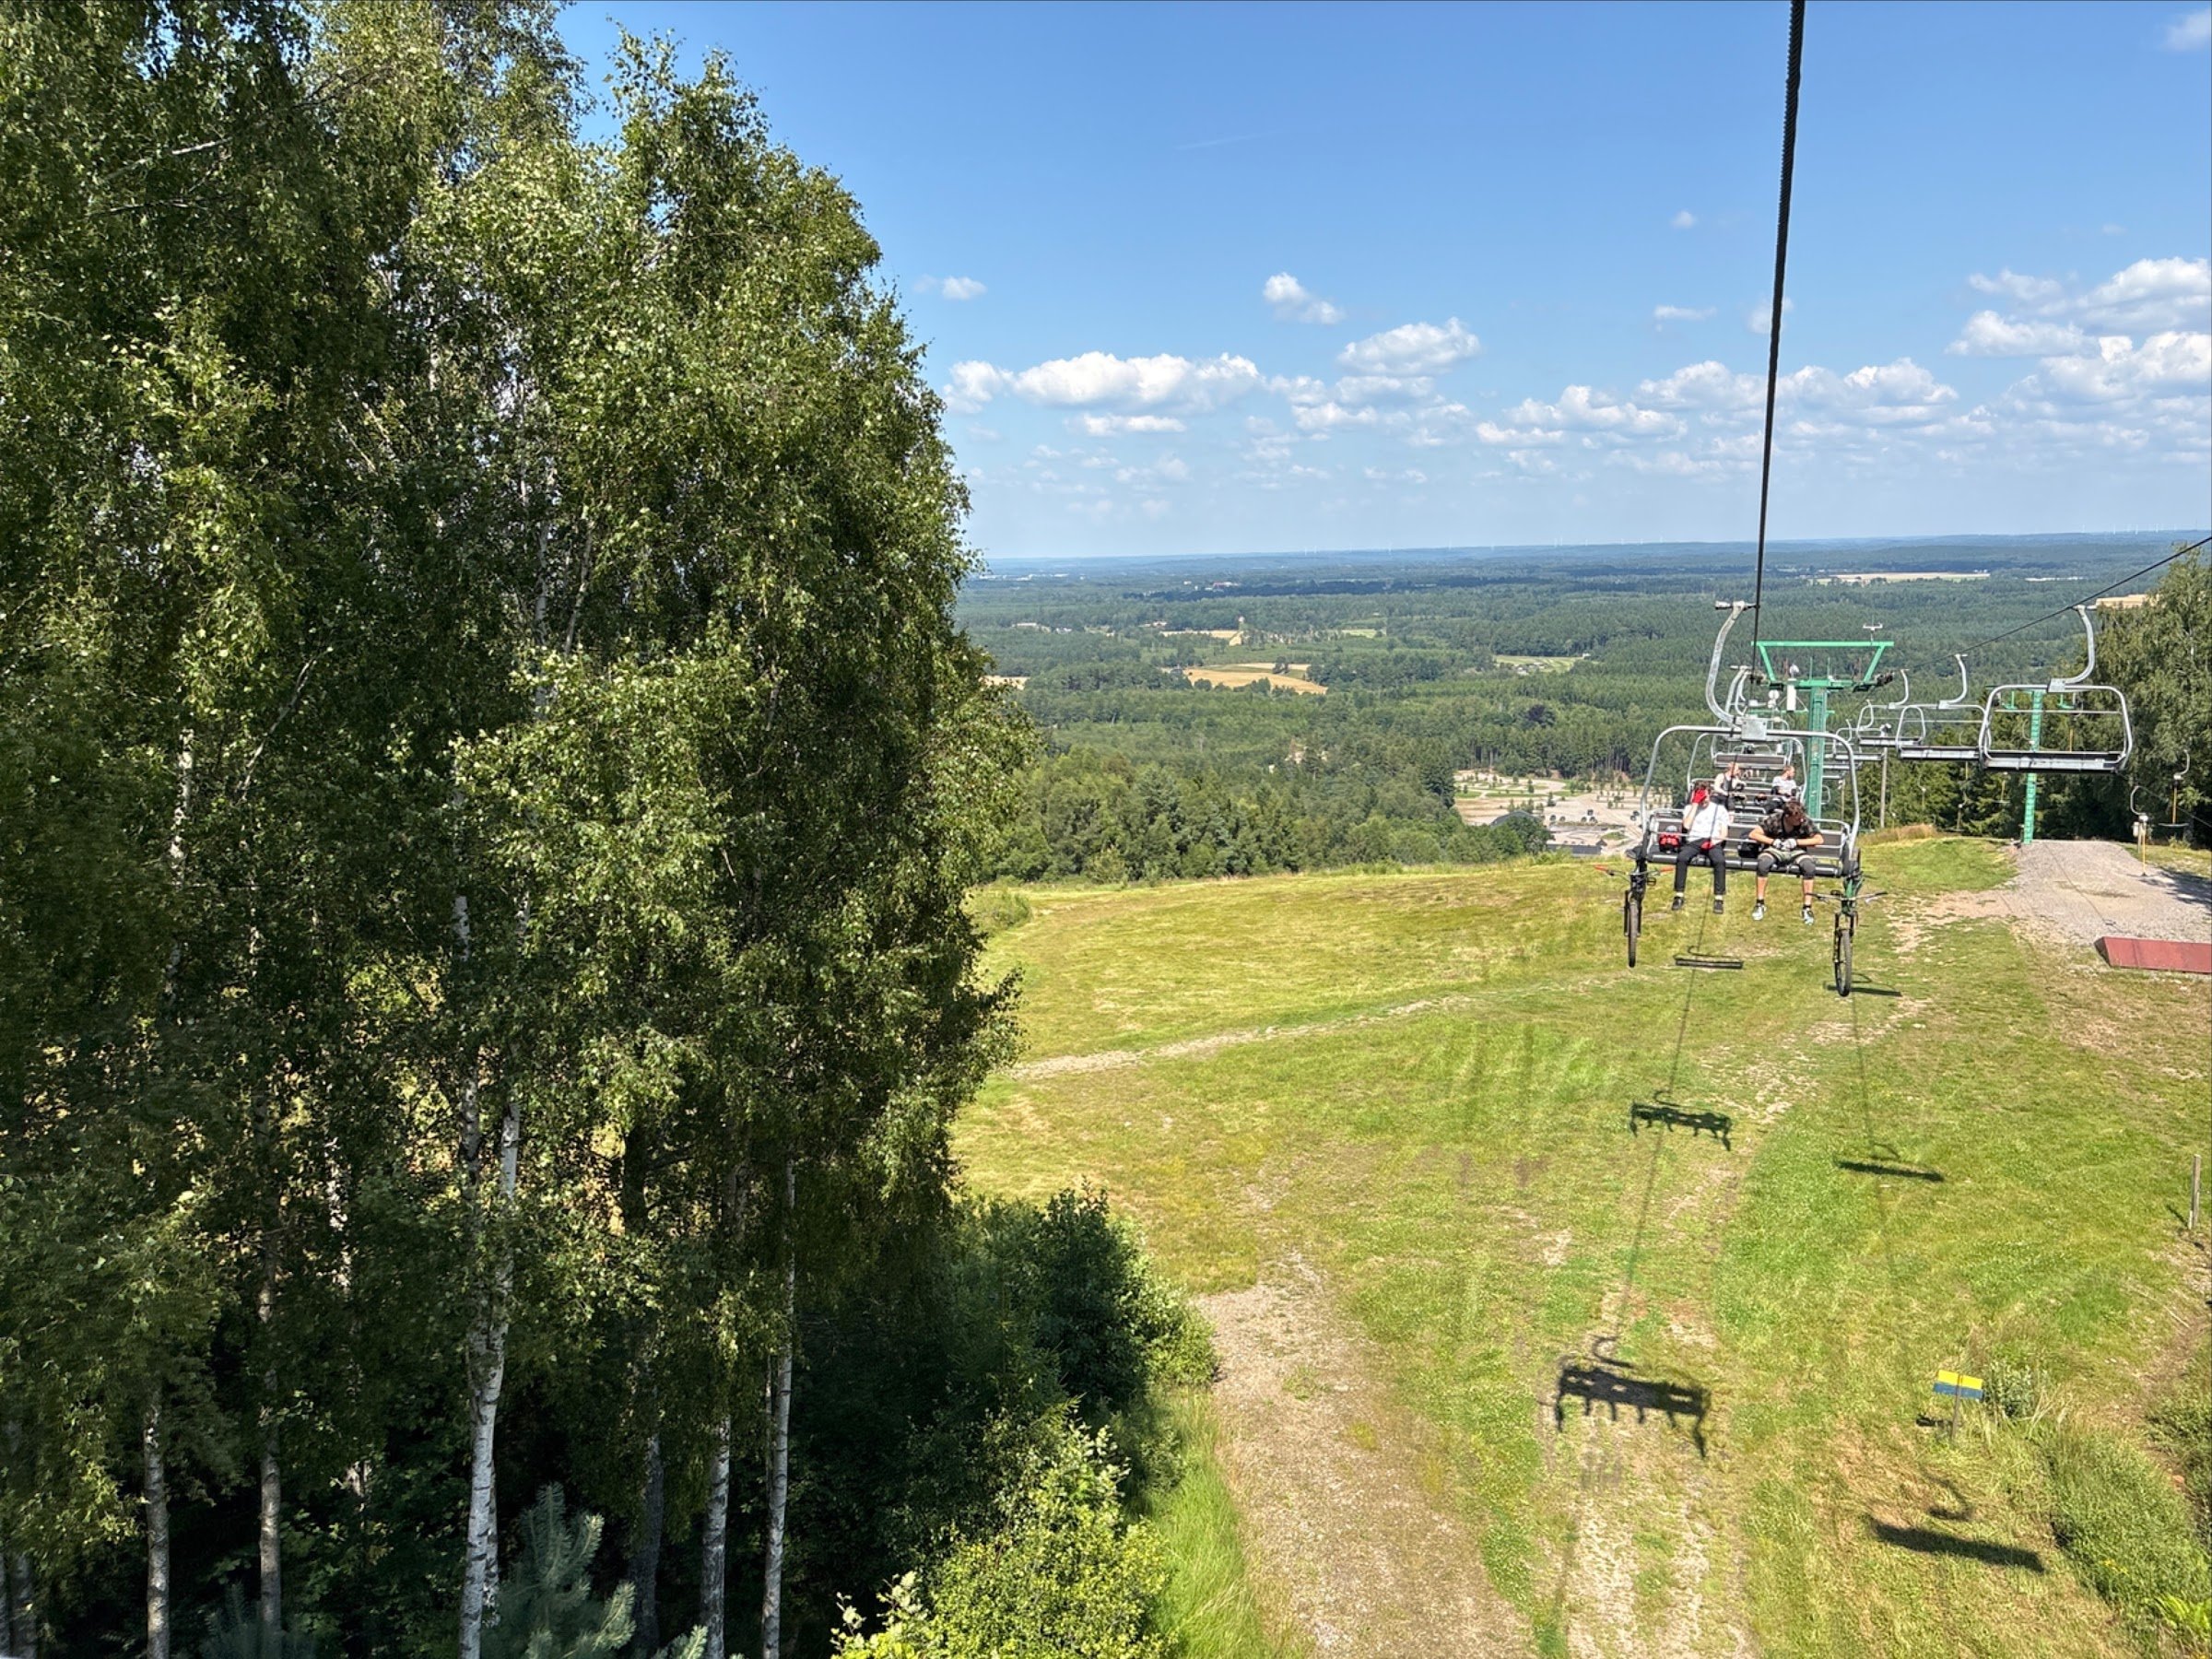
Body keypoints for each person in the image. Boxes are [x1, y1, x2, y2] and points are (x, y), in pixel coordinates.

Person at [1747, 787, 1824, 922]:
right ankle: (1760, 903)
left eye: (1801, 818)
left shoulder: (1804, 821)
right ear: (1787, 817)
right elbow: (1753, 834)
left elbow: (1819, 839)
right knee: (1763, 863)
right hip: (1775, 850)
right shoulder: (1775, 819)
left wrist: (1797, 842)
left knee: (1809, 867)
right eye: (1797, 819)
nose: (1800, 821)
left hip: (1797, 851)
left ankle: (1807, 907)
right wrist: (1773, 841)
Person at [1670, 781, 1732, 914]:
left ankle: (1719, 898)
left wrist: (1715, 841)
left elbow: (1724, 833)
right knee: (1682, 858)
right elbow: (1686, 826)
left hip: (1713, 840)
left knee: (1719, 861)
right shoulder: (1689, 808)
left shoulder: (1719, 809)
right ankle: (1679, 894)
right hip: (1694, 840)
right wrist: (1695, 804)